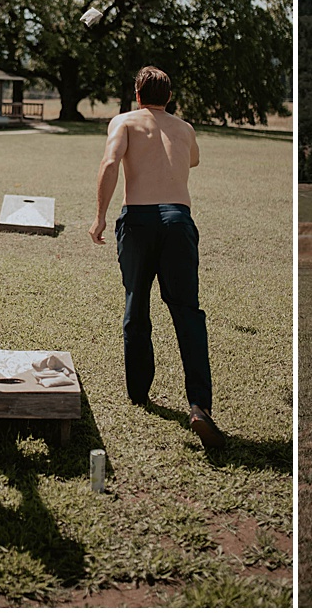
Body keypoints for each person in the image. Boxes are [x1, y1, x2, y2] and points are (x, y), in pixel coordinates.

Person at [90, 66, 223, 447]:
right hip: (179, 219)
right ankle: (199, 405)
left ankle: (139, 392)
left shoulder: (125, 122)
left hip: (139, 220)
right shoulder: (185, 129)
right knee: (188, 313)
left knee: (137, 303)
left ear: (137, 94)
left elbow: (110, 163)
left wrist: (100, 216)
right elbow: (193, 160)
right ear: (169, 97)